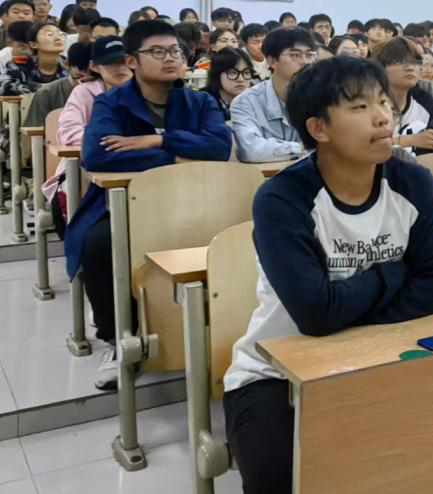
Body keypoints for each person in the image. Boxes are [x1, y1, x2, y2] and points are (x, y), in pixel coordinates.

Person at [223, 56, 433, 494]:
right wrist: (392, 274)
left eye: (384, 102)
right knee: (280, 476)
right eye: (360, 107)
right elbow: (314, 314)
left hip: (390, 352)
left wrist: (341, 308)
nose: (383, 116)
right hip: (277, 371)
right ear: (319, 128)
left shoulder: (413, 184)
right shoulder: (282, 199)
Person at [71, 19, 232, 389]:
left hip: (194, 200)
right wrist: (176, 156)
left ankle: (218, 329)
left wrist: (157, 141)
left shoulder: (200, 101)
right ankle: (117, 339)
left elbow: (219, 148)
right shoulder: (111, 103)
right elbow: (98, 155)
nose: (170, 58)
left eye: (176, 50)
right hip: (127, 205)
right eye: (157, 52)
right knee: (99, 244)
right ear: (132, 61)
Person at [43, 38, 132, 235]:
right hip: (88, 167)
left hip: (133, 165)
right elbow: (68, 133)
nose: (121, 68)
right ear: (95, 66)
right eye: (112, 63)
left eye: (125, 61)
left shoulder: (145, 90)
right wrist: (113, 142)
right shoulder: (84, 92)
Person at [231, 28, 317, 162]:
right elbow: (251, 150)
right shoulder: (246, 102)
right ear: (272, 61)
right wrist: (303, 147)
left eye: (309, 55)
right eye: (295, 55)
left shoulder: (321, 96)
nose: (305, 62)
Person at [371, 37, 433, 154]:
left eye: (415, 61)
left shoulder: (422, 98)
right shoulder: (369, 102)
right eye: (400, 61)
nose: (410, 68)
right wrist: (408, 140)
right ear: (380, 67)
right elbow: (362, 144)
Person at [24, 41, 92, 130]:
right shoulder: (47, 93)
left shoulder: (104, 90)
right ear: (67, 64)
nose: (84, 84)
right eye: (79, 77)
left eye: (91, 79)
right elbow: (33, 133)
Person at [2, 20, 67, 95]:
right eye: (49, 34)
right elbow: (5, 87)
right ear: (33, 44)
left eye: (60, 34)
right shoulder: (19, 66)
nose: (58, 37)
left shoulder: (70, 65)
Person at [206, 47, 255, 119]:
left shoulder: (256, 98)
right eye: (233, 73)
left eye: (246, 72)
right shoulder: (203, 101)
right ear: (217, 74)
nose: (241, 79)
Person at [0, 0, 35, 66]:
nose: (21, 16)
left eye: (26, 13)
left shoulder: (40, 36)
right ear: (6, 16)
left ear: (33, 17)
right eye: (16, 12)